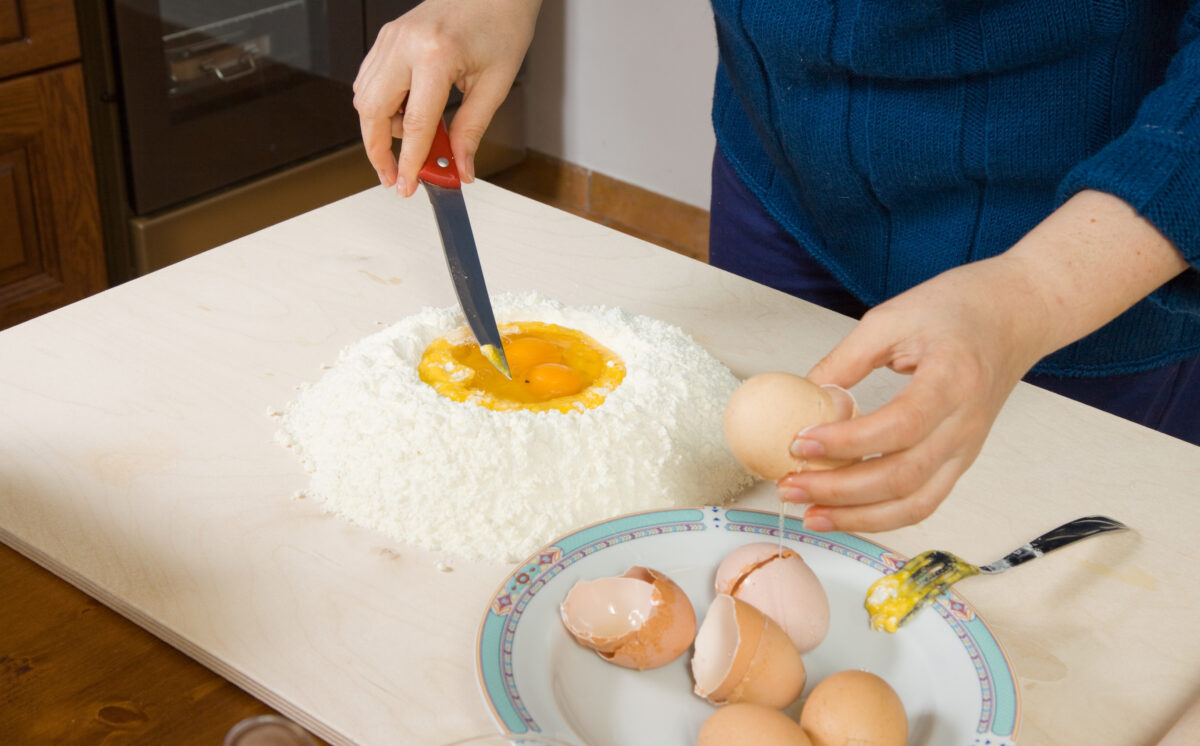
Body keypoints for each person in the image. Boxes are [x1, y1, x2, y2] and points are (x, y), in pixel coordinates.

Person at [353, 0, 1200, 534]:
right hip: (784, 166)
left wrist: (1033, 296)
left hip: (1088, 247)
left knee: (1024, 574)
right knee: (759, 515)